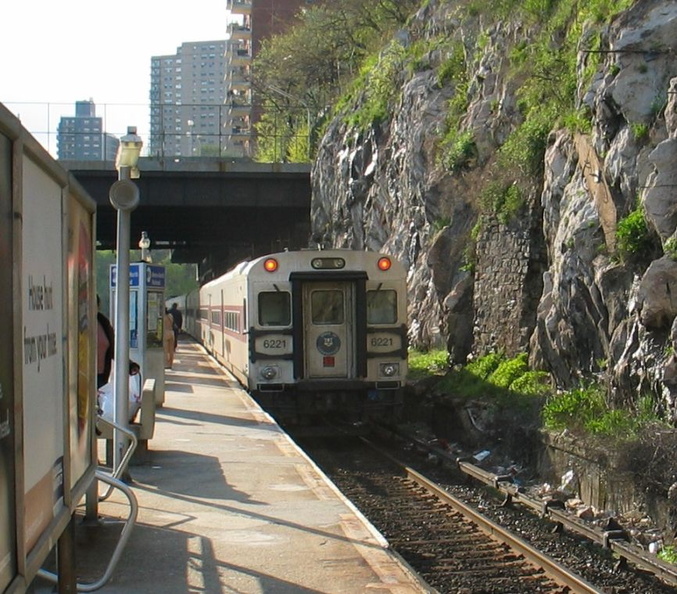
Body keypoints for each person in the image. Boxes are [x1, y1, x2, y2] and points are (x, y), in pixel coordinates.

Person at [97, 295, 115, 389]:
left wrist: (130, 365)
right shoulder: (76, 326)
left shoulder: (104, 323)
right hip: (81, 377)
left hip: (101, 375)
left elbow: (114, 350)